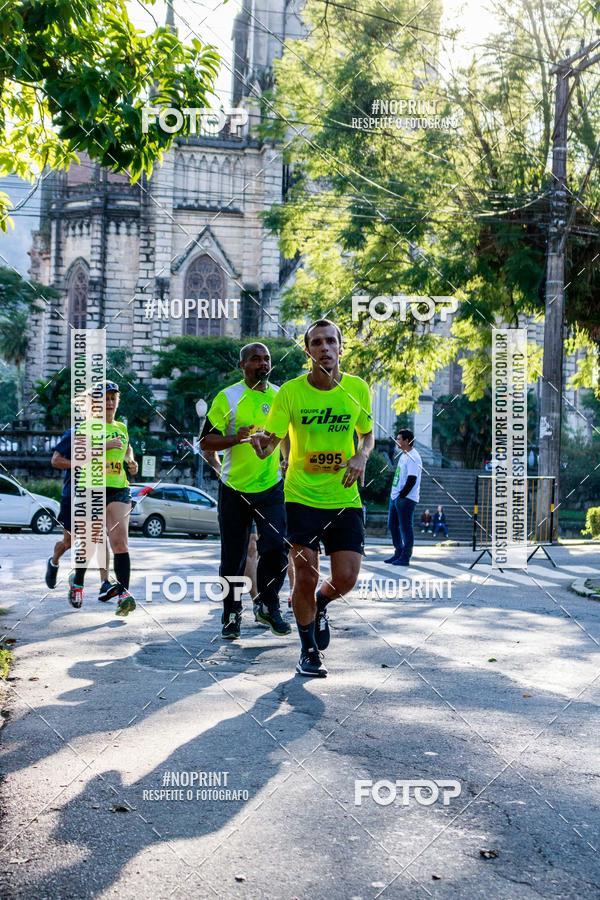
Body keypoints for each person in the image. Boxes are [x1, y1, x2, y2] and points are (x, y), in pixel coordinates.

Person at [251, 318, 374, 678]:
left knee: (346, 578)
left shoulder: (358, 389)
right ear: (308, 351)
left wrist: (362, 455)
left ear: (340, 347)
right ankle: (308, 651)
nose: (324, 348)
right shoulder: (290, 392)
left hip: (344, 497)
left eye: (330, 341)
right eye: (317, 343)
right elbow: (270, 442)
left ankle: (320, 603)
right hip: (301, 497)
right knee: (304, 575)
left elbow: (367, 436)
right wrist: (262, 446)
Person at [200, 342, 291, 640]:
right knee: (233, 558)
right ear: (243, 365)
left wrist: (288, 461)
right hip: (234, 488)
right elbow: (206, 443)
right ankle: (231, 613)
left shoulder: (279, 396)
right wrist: (233, 439)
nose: (263, 364)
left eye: (266, 359)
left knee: (277, 548)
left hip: (271, 486)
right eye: (256, 359)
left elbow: (287, 435)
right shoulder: (228, 397)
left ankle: (268, 603)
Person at [68, 382, 138, 616]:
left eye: (113, 398)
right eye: (104, 399)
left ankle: (124, 595)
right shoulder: (86, 427)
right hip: (91, 488)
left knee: (120, 543)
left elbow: (127, 449)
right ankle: (77, 582)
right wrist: (104, 445)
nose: (109, 403)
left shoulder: (122, 427)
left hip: (119, 487)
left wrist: (131, 461)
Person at [45, 425, 119, 601]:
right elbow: (55, 460)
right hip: (72, 494)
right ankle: (54, 561)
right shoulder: (74, 433)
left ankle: (104, 584)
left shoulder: (109, 431)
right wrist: (79, 463)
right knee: (69, 542)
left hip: (96, 493)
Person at [385, 429, 422, 567]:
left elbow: (412, 479)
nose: (397, 441)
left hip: (406, 499)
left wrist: (401, 496)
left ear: (407, 441)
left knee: (406, 528)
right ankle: (398, 553)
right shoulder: (403, 455)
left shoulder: (414, 456)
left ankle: (405, 557)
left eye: (399, 439)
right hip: (395, 497)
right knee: (392, 525)